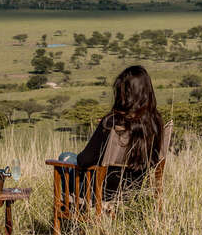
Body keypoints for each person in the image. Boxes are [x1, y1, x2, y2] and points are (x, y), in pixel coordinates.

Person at [60, 65, 166, 200]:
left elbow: (84, 160)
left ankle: (72, 214)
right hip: (134, 192)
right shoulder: (156, 123)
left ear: (123, 94)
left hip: (100, 192)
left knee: (65, 157)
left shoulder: (112, 123)